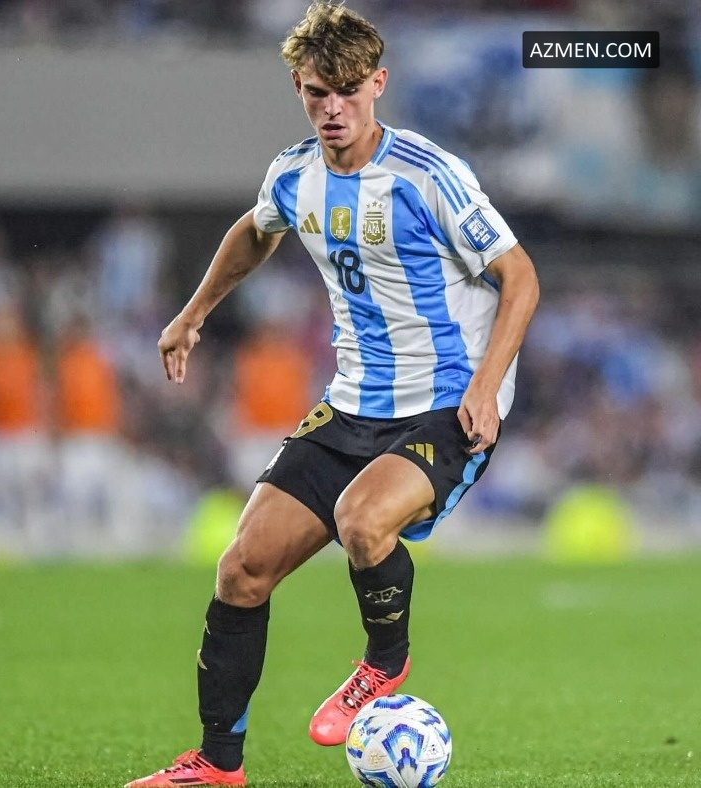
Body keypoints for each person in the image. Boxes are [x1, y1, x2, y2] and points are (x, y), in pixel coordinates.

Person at [125, 3, 539, 787]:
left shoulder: (429, 175)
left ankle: (384, 661)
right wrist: (193, 314)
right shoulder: (295, 175)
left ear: (378, 83)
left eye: (349, 90)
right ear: (299, 88)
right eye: (318, 92)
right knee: (241, 568)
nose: (334, 107)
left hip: (446, 402)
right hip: (352, 404)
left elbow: (520, 277)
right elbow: (257, 229)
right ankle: (216, 766)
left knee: (362, 518)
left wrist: (487, 389)